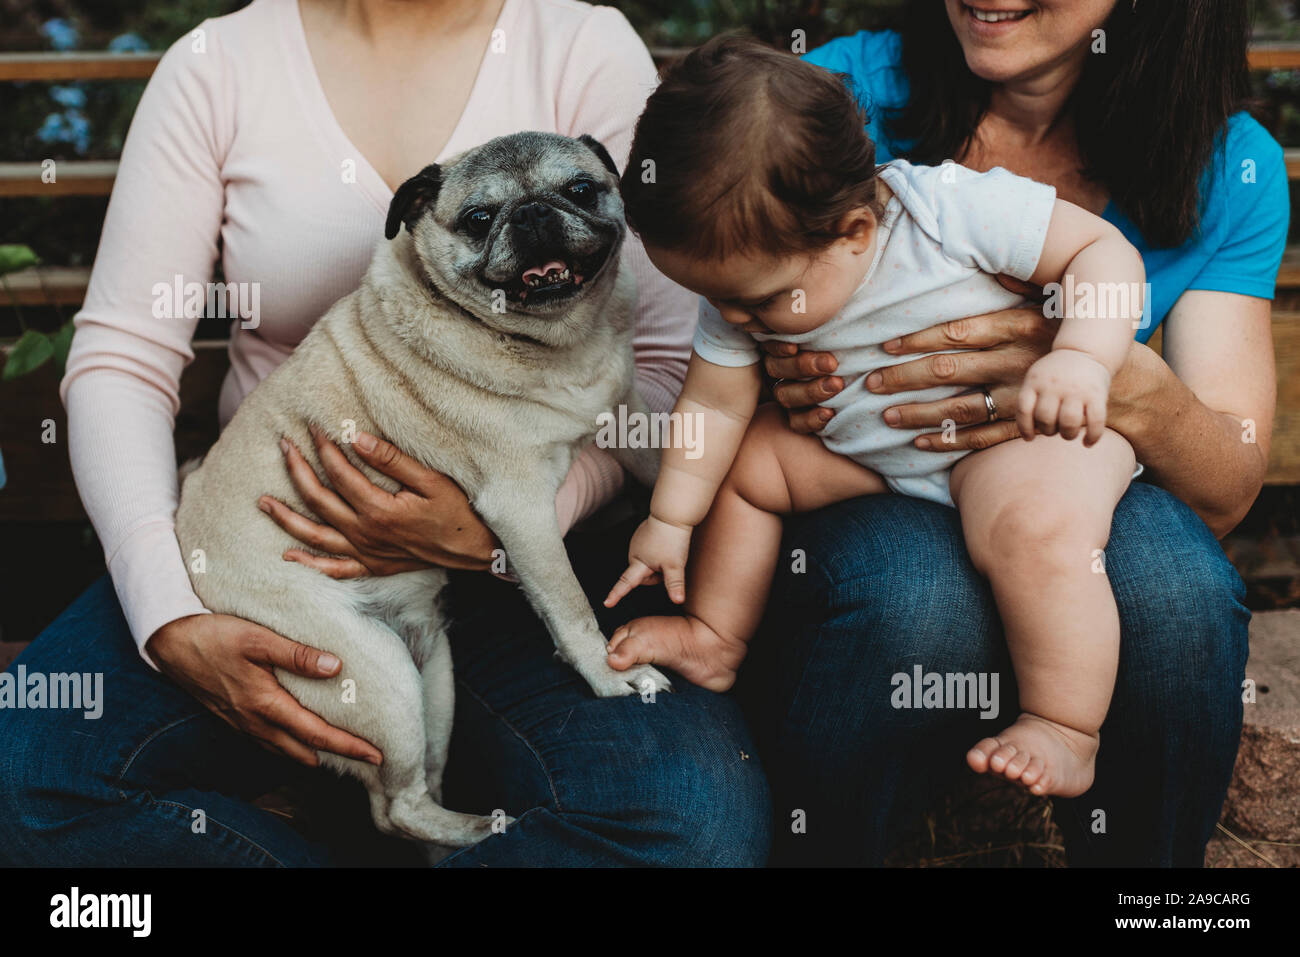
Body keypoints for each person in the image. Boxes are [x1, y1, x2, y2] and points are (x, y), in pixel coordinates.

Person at [0, 0, 770, 867]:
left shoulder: (580, 43)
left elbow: (672, 364)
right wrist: (167, 604)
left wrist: (512, 525)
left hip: (542, 558)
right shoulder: (219, 63)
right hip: (275, 550)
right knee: (27, 782)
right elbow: (122, 362)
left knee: (690, 823)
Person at [727, 0, 1285, 866]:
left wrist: (1104, 370)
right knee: (920, 596)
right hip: (867, 483)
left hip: (1057, 484)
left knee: (1176, 588)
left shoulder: (1223, 165)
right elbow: (710, 315)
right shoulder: (834, 100)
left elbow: (1223, 485)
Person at [605, 35, 1146, 801]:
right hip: (873, 450)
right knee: (749, 463)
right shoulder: (747, 271)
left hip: (1011, 440)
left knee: (1037, 529)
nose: (733, 318)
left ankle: (1064, 725)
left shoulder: (946, 209)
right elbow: (713, 406)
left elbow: (1103, 252)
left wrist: (1085, 357)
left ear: (854, 232)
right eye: (717, 299)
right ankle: (716, 635)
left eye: (757, 302)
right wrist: (670, 517)